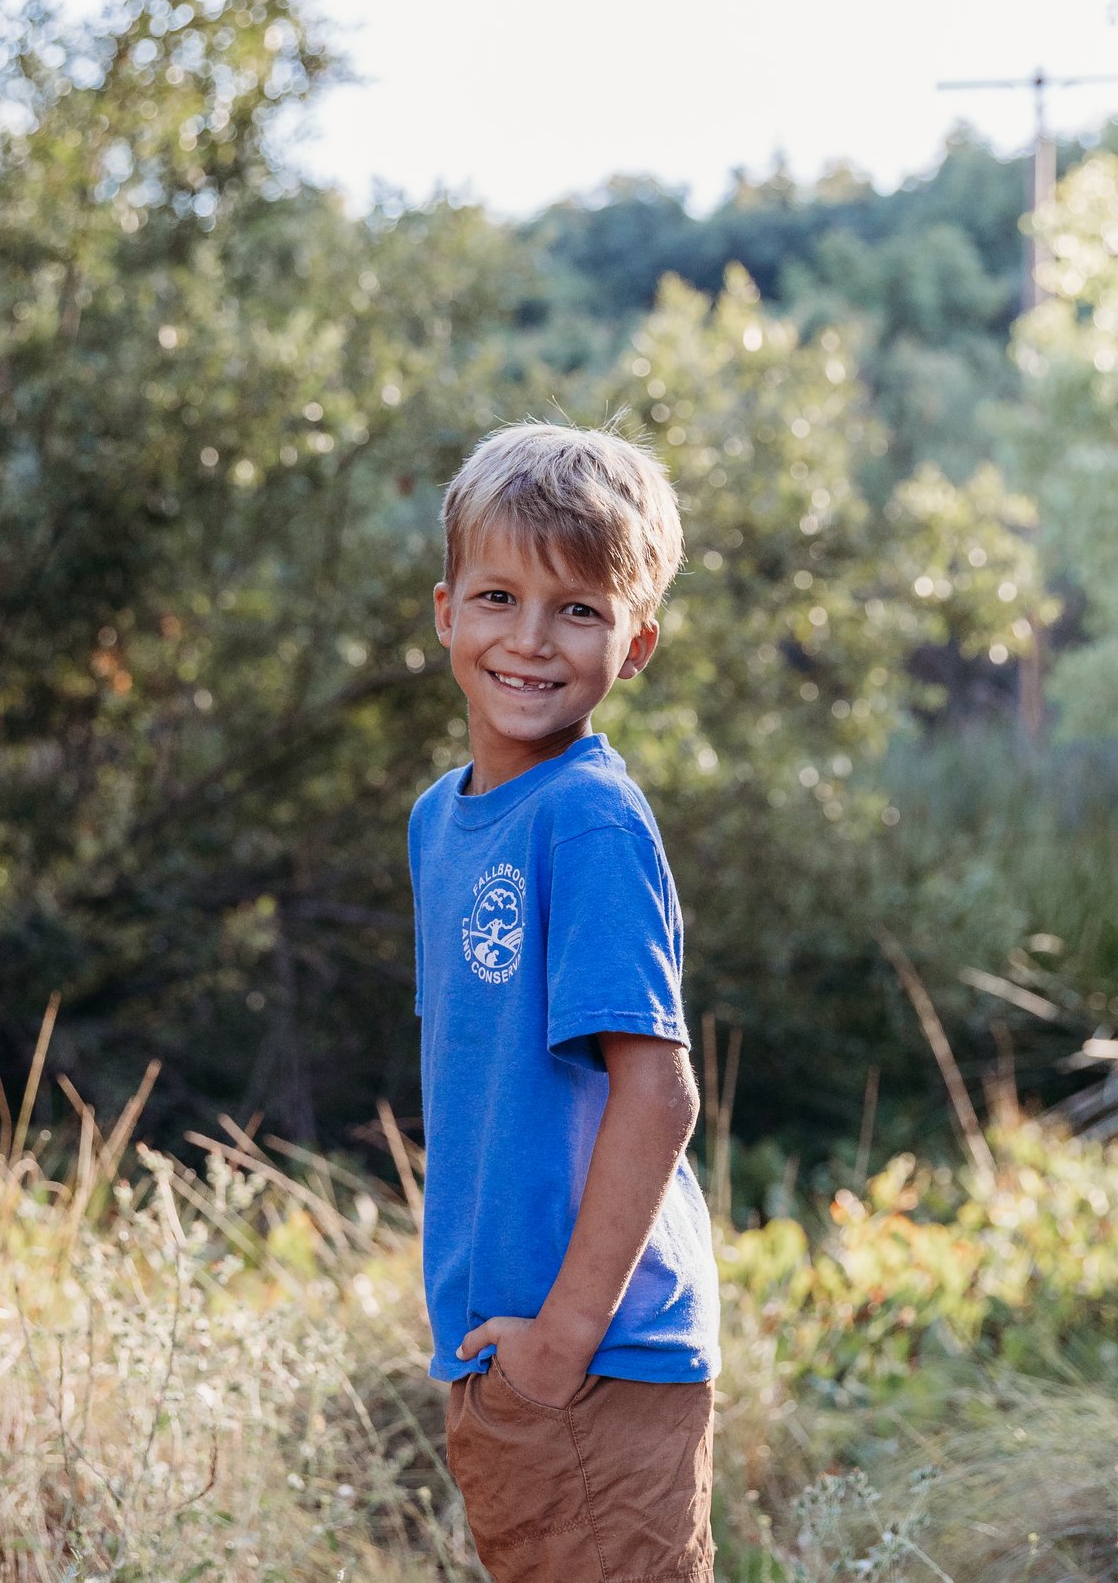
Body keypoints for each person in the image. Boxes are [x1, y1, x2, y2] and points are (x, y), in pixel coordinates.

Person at [408, 422, 720, 1582]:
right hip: (507, 1353)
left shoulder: (584, 819)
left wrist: (557, 1346)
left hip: (597, 1356)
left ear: (634, 643)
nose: (529, 639)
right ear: (446, 611)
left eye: (578, 609)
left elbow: (657, 1092)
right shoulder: (442, 817)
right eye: (498, 595)